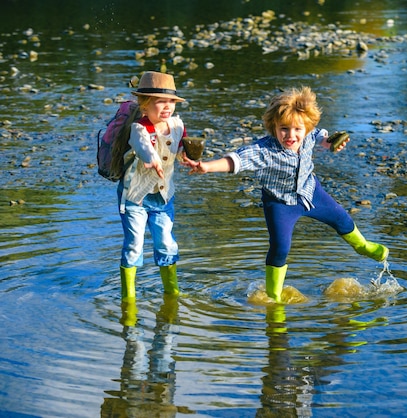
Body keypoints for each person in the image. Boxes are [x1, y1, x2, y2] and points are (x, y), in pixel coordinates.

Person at [182, 86, 388, 303]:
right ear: (274, 127)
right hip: (279, 203)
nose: (291, 136)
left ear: (306, 127)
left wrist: (328, 142)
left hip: (311, 192)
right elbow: (237, 160)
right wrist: (206, 166)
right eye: (284, 129)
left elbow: (319, 135)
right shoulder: (264, 150)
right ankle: (274, 295)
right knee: (280, 247)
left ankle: (363, 246)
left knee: (343, 219)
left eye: (297, 129)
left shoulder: (308, 134)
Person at [116, 71, 187, 302]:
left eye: (171, 102)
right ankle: (129, 297)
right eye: (160, 102)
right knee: (134, 245)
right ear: (145, 106)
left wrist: (187, 156)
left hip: (164, 197)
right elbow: (141, 145)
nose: (167, 107)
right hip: (135, 197)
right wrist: (151, 158)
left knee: (166, 242)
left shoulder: (177, 124)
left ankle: (171, 291)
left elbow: (181, 147)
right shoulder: (139, 128)